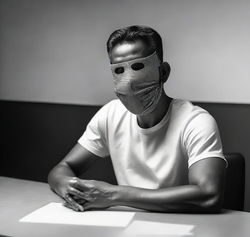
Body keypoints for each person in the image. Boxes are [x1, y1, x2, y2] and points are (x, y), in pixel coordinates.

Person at [48, 25, 226, 213]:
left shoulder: (196, 122)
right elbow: (62, 168)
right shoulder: (110, 115)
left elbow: (209, 195)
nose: (130, 81)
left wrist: (114, 195)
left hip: (184, 228)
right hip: (128, 229)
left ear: (163, 72)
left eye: (138, 67)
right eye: (119, 70)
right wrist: (66, 184)